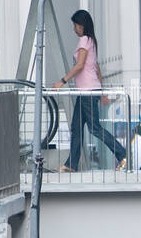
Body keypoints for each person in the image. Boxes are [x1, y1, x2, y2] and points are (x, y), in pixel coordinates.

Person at [54, 9, 127, 172]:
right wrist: (101, 92)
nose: (74, 29)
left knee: (94, 128)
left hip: (87, 91)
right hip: (87, 91)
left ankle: (122, 154)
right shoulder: (91, 41)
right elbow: (96, 68)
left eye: (75, 25)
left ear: (81, 25)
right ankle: (71, 164)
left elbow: (80, 66)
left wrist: (62, 81)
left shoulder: (84, 40)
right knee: (76, 128)